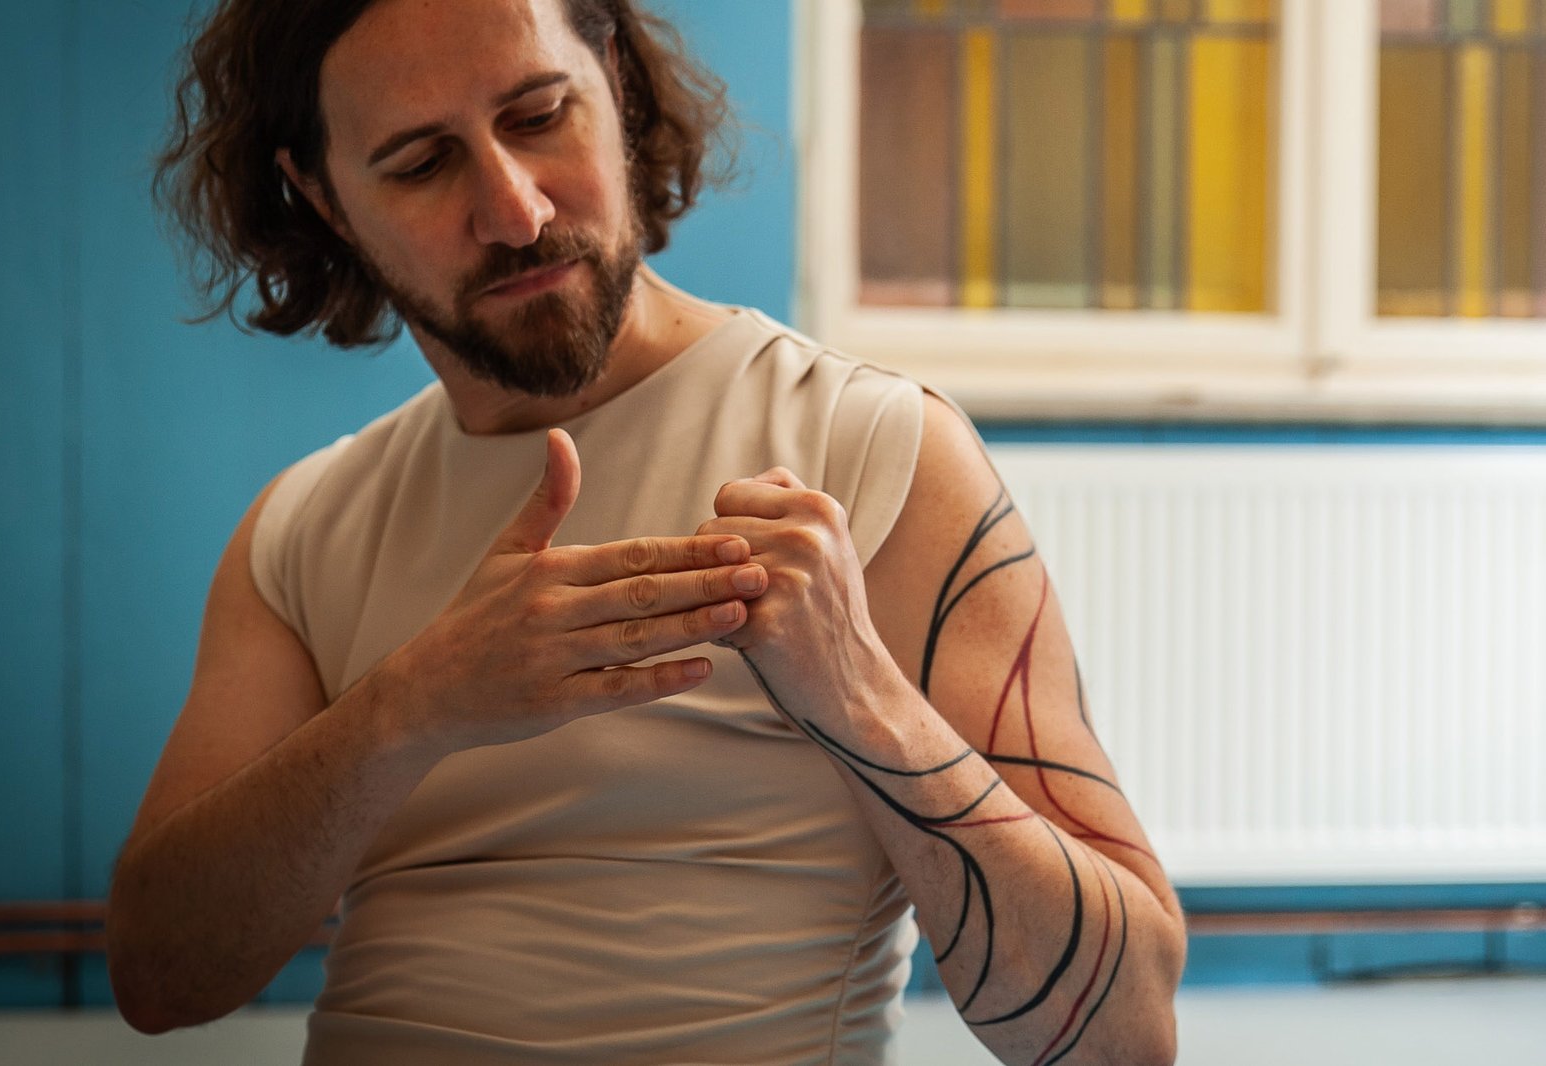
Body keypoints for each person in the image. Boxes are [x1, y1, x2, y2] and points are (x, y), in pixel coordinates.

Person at [105, 1, 1186, 1062]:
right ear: (325, 199)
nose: (515, 210)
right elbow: (158, 979)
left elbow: (1122, 1032)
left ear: (613, 83)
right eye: (423, 163)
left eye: (538, 116)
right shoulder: (303, 526)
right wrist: (408, 710)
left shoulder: (873, 446)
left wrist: (859, 695)